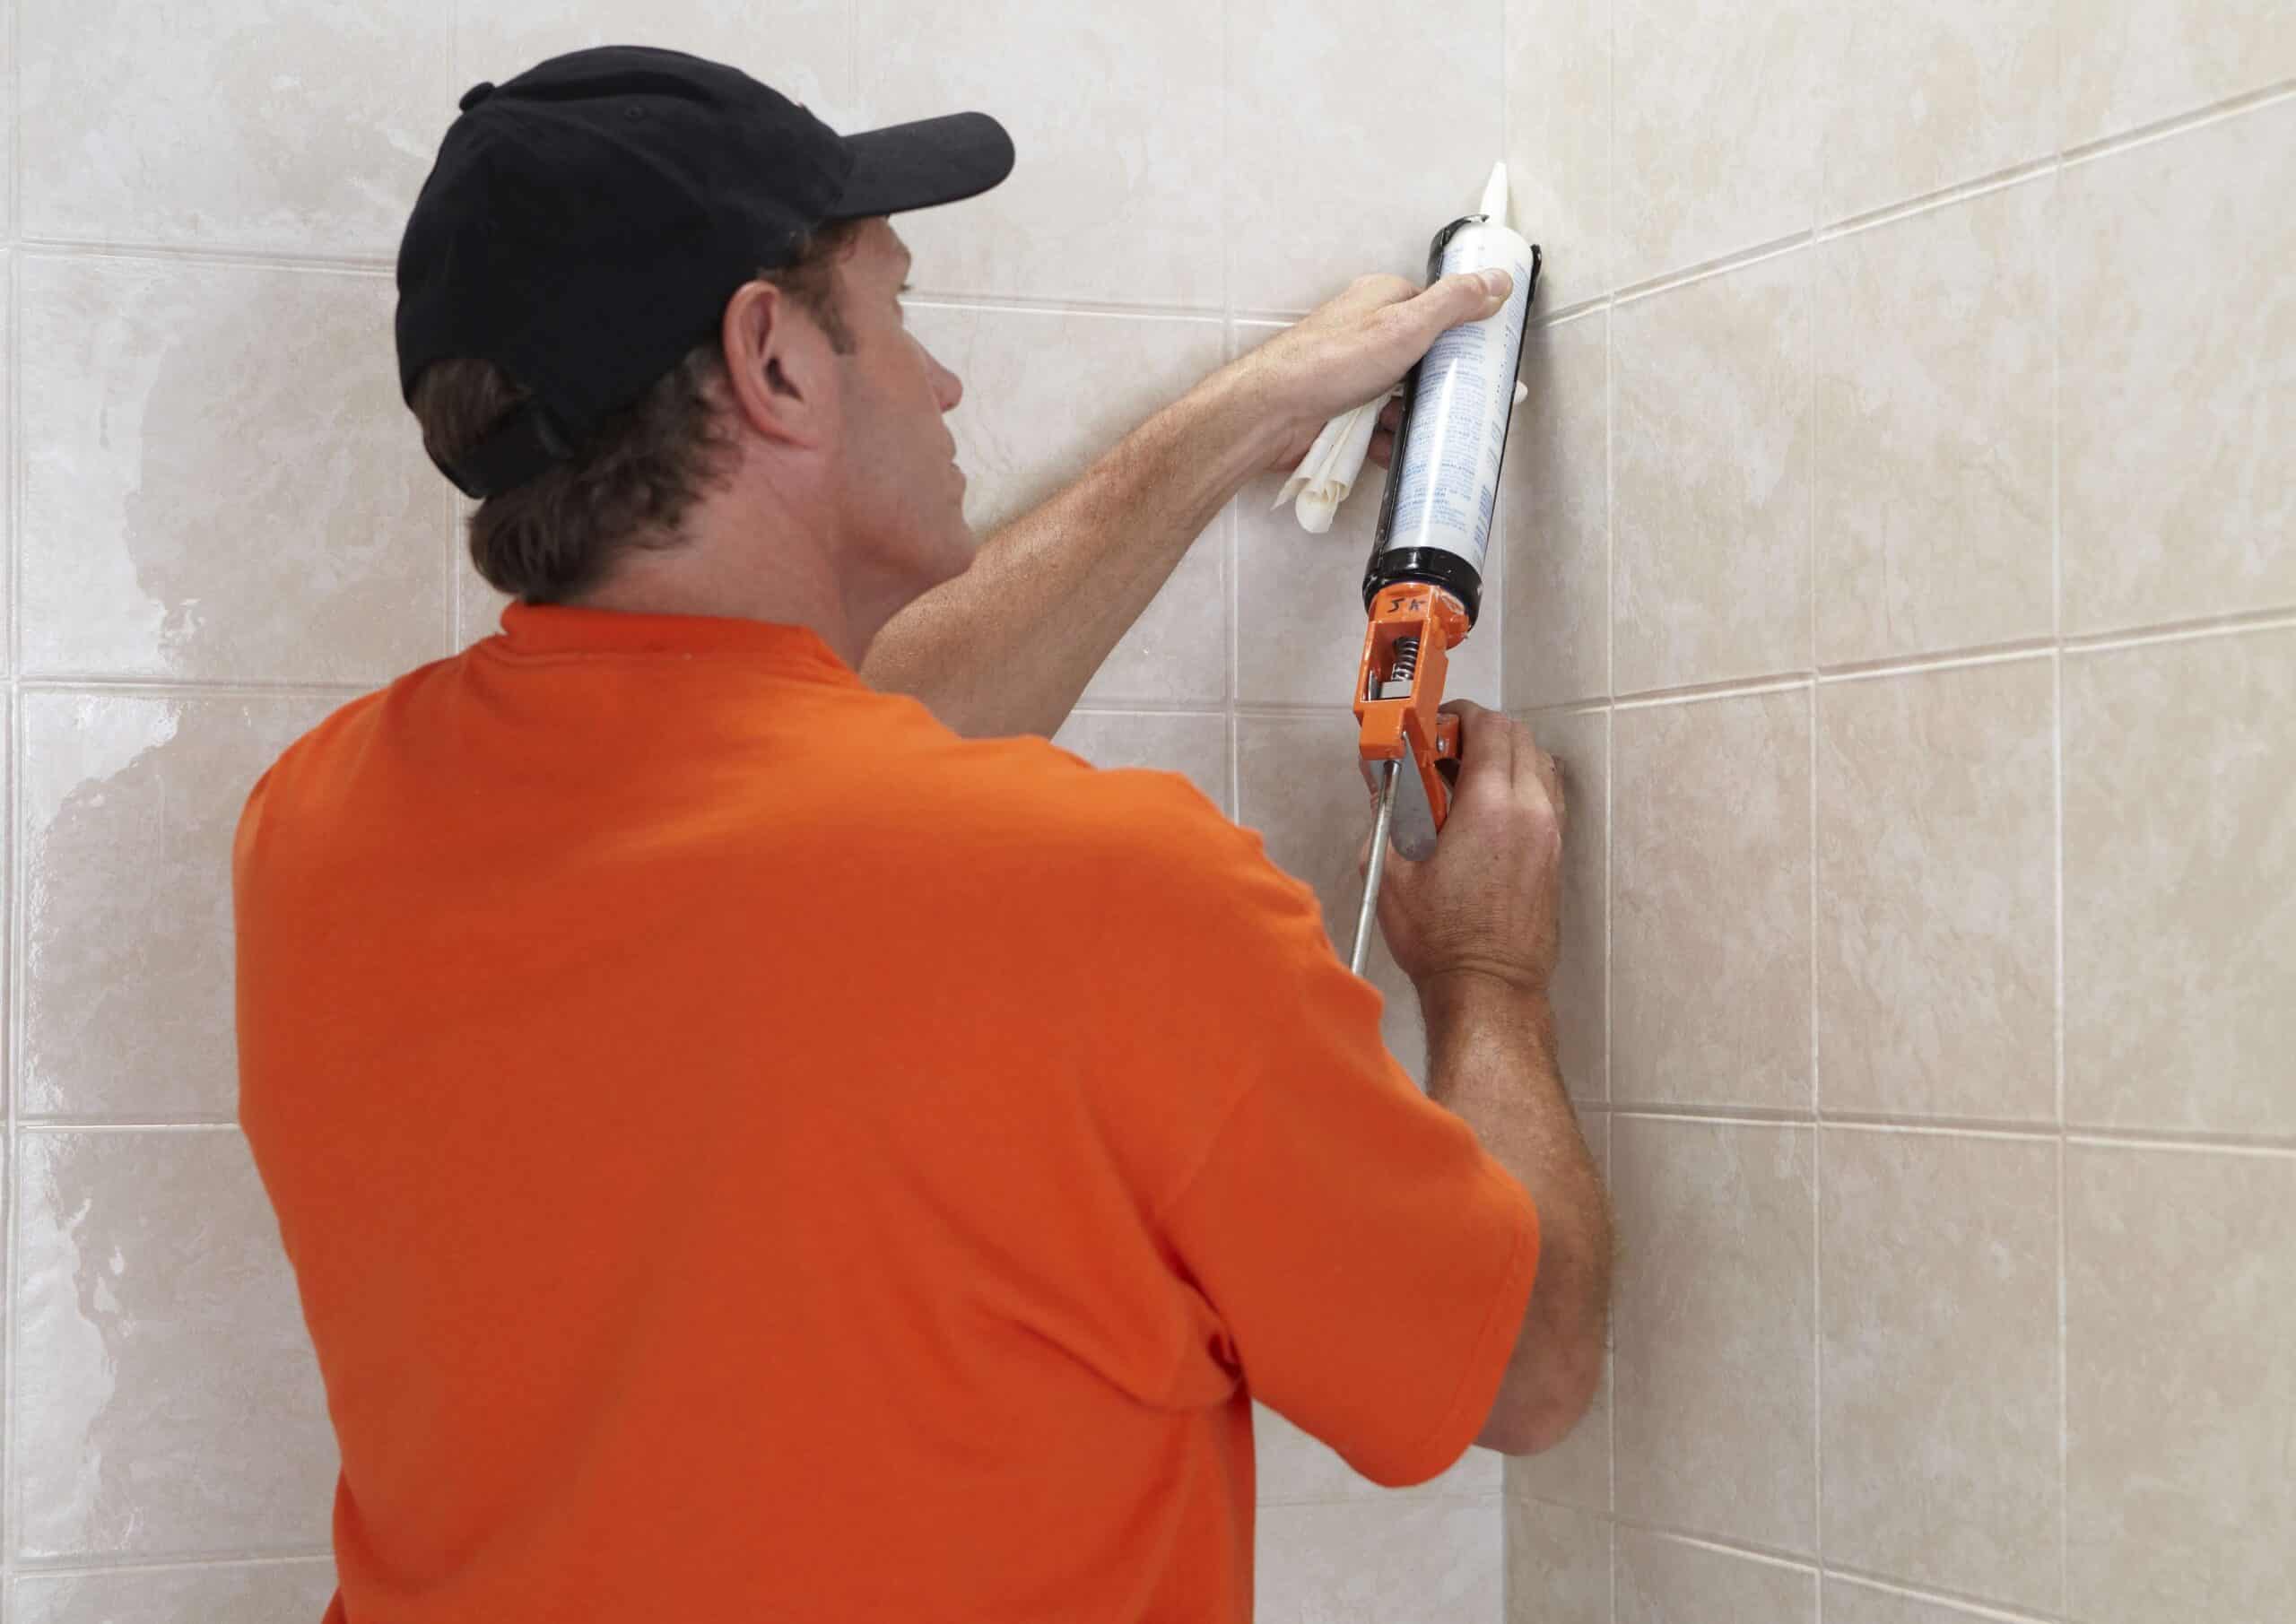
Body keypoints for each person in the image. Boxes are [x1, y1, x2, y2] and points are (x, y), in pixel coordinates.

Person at [233, 44, 1610, 1624]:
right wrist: (1492, 974)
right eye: (896, 311)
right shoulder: (1107, 901)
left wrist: (1234, 424)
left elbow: (795, 781)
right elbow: (1524, 1368)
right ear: (776, 361)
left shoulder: (319, 837)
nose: (940, 380)